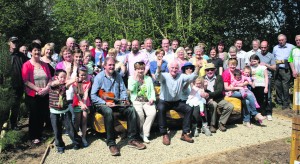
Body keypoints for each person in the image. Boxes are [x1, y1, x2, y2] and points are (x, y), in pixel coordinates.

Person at [91, 57, 146, 156]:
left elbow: (123, 90)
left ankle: (132, 139)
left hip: (116, 102)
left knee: (131, 110)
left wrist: (125, 100)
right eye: (109, 65)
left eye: (113, 65)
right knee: (108, 112)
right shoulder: (99, 77)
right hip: (103, 104)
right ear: (105, 66)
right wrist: (105, 103)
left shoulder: (118, 76)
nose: (112, 67)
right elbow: (93, 95)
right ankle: (111, 143)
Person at [155, 59, 201, 145]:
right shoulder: (165, 76)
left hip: (176, 102)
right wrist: (158, 67)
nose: (174, 69)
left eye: (176, 68)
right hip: (164, 101)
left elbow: (192, 77)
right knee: (160, 108)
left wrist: (197, 68)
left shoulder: (181, 76)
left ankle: (185, 133)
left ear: (178, 69)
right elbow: (157, 76)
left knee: (189, 108)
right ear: (169, 68)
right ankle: (164, 133)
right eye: (172, 67)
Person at [22, 43, 51, 144]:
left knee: (42, 115)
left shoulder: (44, 64)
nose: (37, 52)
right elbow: (26, 81)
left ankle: (39, 134)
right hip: (33, 95)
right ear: (31, 52)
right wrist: (38, 89)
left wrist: (46, 89)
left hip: (44, 94)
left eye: (38, 50)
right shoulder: (26, 65)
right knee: (34, 115)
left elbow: (50, 79)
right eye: (35, 50)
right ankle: (33, 136)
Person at [222, 58, 265, 128]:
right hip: (231, 92)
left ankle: (246, 121)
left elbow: (246, 79)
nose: (233, 66)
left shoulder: (238, 71)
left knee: (247, 101)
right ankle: (255, 113)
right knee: (249, 95)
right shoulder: (226, 73)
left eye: (234, 65)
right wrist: (238, 87)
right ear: (228, 65)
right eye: (231, 65)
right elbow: (226, 88)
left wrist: (242, 84)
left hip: (241, 90)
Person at [49, 69, 81, 153]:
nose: (63, 79)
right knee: (57, 130)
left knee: (70, 129)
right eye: (61, 77)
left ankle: (76, 142)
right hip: (54, 112)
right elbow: (54, 84)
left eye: (64, 77)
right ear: (56, 77)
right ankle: (60, 146)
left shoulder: (64, 86)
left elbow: (67, 84)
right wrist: (66, 80)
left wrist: (73, 80)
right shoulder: (52, 84)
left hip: (65, 111)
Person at [128, 62, 156, 144]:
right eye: (138, 69)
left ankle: (144, 134)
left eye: (142, 69)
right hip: (136, 100)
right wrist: (136, 79)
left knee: (152, 112)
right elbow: (131, 89)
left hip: (147, 100)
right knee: (140, 114)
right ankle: (141, 132)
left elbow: (152, 90)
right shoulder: (131, 78)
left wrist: (152, 98)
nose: (140, 71)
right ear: (135, 70)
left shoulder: (148, 78)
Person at [202, 63, 233, 132]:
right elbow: (200, 91)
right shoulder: (202, 78)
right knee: (214, 104)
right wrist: (207, 96)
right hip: (207, 99)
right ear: (205, 71)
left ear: (215, 70)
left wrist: (209, 95)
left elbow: (219, 90)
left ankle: (221, 123)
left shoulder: (219, 77)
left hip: (218, 98)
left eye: (212, 69)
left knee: (230, 106)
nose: (210, 71)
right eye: (207, 70)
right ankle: (212, 125)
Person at [9, 36, 28, 130]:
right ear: (9, 43)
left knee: (15, 106)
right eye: (13, 42)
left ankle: (13, 124)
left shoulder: (22, 56)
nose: (15, 44)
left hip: (18, 85)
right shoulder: (4, 55)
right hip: (6, 86)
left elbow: (29, 65)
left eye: (16, 42)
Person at [273, 34, 295, 110]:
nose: (281, 41)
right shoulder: (275, 48)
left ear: (285, 40)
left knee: (285, 86)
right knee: (278, 85)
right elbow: (273, 58)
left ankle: (286, 103)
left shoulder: (291, 47)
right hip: (277, 69)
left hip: (286, 69)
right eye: (279, 40)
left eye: (282, 40)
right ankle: (279, 101)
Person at [72, 66, 91, 147]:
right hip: (77, 103)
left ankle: (84, 137)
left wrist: (85, 102)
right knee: (77, 121)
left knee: (84, 120)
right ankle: (76, 137)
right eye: (81, 75)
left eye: (84, 75)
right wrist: (82, 103)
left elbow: (86, 93)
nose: (83, 77)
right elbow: (77, 94)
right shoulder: (76, 83)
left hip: (85, 103)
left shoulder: (88, 82)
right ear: (78, 75)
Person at [257, 40, 276, 120]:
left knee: (268, 96)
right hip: (258, 78)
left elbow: (274, 68)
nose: (263, 49)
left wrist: (266, 65)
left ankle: (268, 112)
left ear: (268, 47)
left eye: (265, 47)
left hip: (268, 77)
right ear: (260, 47)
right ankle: (259, 112)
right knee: (258, 96)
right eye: (262, 47)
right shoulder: (257, 54)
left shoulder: (271, 56)